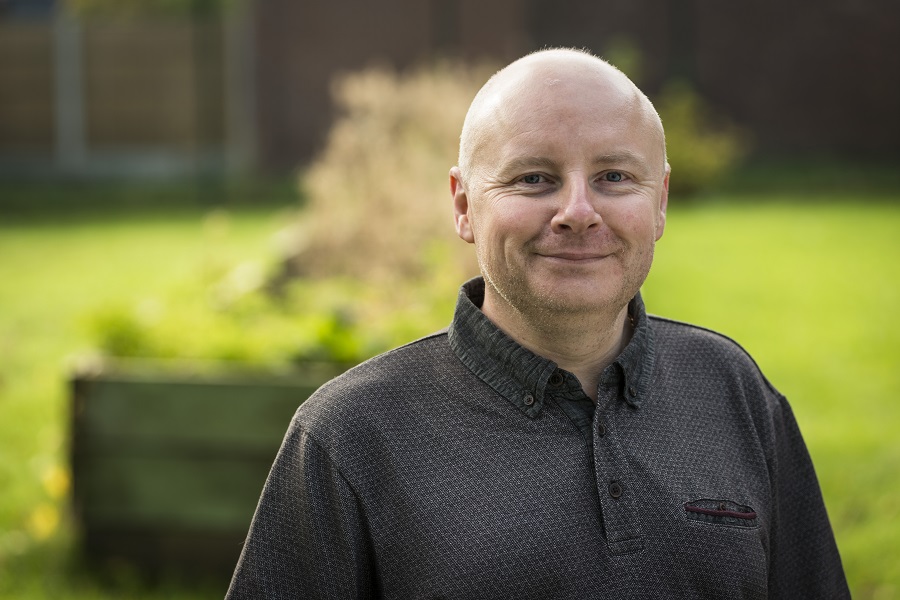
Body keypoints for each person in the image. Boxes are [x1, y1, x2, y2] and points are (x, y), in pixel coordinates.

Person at [226, 48, 849, 598]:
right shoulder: (350, 435)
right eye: (534, 178)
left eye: (613, 177)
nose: (578, 212)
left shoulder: (732, 389)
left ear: (658, 203)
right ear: (465, 205)